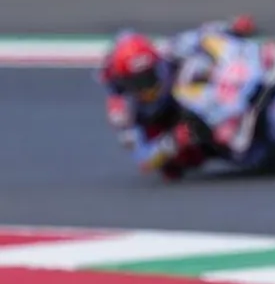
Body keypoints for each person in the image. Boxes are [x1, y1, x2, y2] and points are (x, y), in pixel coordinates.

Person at [97, 15, 258, 180]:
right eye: (139, 82)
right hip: (173, 130)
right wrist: (172, 142)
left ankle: (241, 90)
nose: (147, 86)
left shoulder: (167, 52)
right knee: (172, 166)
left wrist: (232, 28)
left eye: (150, 76)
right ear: (125, 82)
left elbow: (202, 34)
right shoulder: (122, 110)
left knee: (199, 64)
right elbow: (143, 159)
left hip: (192, 98)